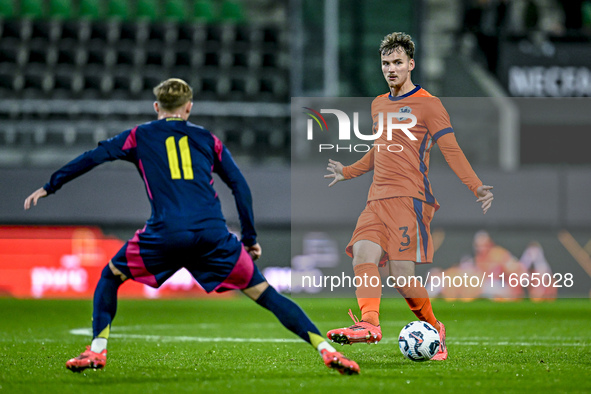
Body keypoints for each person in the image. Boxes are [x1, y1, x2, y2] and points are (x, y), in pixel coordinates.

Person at [24, 78, 359, 375]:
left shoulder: (139, 136)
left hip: (165, 232)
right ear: (188, 107)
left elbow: (93, 156)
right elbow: (239, 185)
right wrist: (250, 238)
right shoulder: (207, 139)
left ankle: (96, 351)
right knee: (266, 294)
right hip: (212, 234)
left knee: (111, 276)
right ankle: (326, 349)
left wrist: (51, 185)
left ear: (157, 106)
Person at [324, 33, 494, 361]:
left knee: (402, 278)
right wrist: (348, 171)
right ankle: (369, 324)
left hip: (410, 199)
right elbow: (379, 150)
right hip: (377, 199)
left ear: (411, 65)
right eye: (386, 63)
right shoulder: (378, 104)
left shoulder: (429, 105)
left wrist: (475, 185)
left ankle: (434, 328)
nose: (391, 69)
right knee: (362, 255)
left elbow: (450, 148)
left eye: (397, 63)